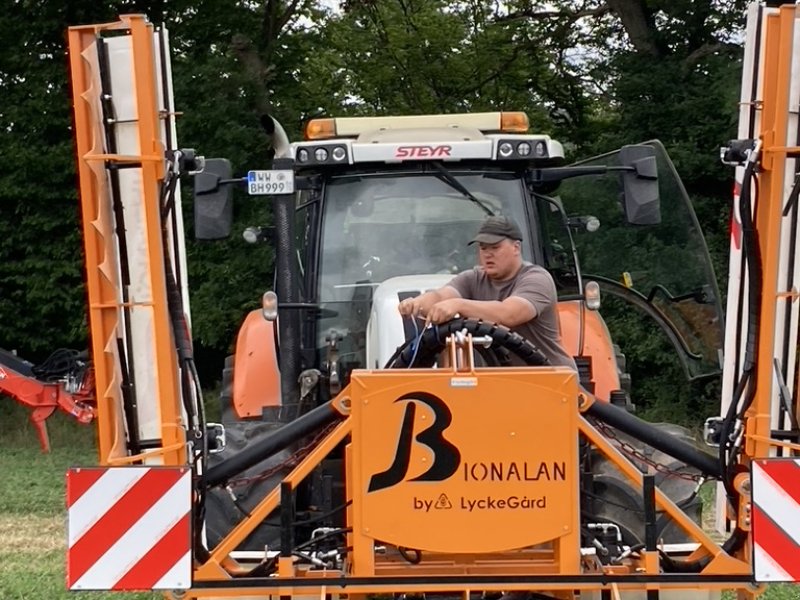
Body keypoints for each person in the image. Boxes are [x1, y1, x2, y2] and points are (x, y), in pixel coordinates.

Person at [397, 215, 576, 370]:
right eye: (483, 248)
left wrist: (458, 305)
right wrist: (417, 303)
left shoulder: (536, 278)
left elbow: (510, 314)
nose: (488, 254)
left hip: (551, 379)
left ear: (516, 247)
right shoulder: (472, 278)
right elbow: (441, 296)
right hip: (503, 382)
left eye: (495, 247)